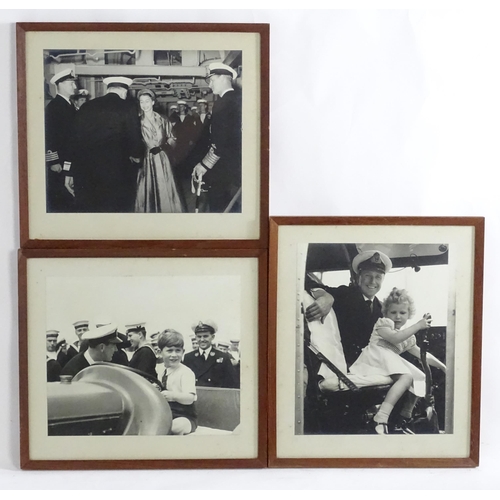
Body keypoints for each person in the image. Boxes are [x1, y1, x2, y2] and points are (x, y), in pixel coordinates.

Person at [345, 288, 446, 434]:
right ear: (386, 313)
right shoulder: (383, 324)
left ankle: (405, 416)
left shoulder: (406, 336)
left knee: (420, 377)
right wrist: (418, 326)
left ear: (408, 314)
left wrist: (443, 367)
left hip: (388, 362)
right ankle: (381, 417)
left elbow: (422, 354)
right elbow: (394, 338)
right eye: (393, 312)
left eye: (402, 313)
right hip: (375, 359)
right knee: (406, 377)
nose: (397, 317)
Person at [305, 250, 392, 367]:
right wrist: (326, 296)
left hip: (370, 365)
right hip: (342, 366)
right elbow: (306, 281)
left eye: (378, 277)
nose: (373, 281)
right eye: (368, 276)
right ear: (359, 277)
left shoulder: (381, 309)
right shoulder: (344, 294)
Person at [70, 76, 143, 212]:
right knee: (114, 206)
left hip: (87, 169)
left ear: (108, 89)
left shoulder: (87, 106)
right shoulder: (127, 106)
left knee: (91, 206)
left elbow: (75, 137)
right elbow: (134, 136)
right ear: (124, 92)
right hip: (115, 169)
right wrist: (137, 155)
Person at [192, 62, 242, 213]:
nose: (210, 85)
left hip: (224, 167)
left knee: (220, 206)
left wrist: (204, 165)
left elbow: (220, 142)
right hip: (233, 164)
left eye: (212, 80)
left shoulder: (224, 103)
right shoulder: (236, 99)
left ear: (223, 78)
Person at [134, 89, 184, 213]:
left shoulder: (163, 119)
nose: (144, 105)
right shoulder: (137, 122)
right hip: (146, 159)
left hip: (162, 158)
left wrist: (162, 147)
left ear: (152, 102)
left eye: (147, 101)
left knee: (165, 187)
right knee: (147, 189)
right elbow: (133, 141)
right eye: (141, 102)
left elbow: (173, 138)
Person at [44, 68, 78, 212]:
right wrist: (53, 161)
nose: (75, 87)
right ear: (61, 85)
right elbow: (48, 135)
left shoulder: (69, 106)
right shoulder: (54, 107)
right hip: (60, 162)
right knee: (59, 197)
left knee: (69, 196)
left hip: (69, 159)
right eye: (71, 84)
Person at [158, 330, 198, 435]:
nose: (174, 355)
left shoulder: (185, 372)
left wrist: (173, 396)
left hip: (184, 416)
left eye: (178, 350)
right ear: (160, 352)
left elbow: (190, 398)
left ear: (183, 352)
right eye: (170, 351)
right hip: (165, 414)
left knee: (175, 427)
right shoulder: (160, 370)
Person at [182, 320, 238, 388]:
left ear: (212, 337)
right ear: (196, 337)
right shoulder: (188, 357)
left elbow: (232, 383)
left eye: (205, 336)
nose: (202, 339)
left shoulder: (222, 357)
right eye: (199, 337)